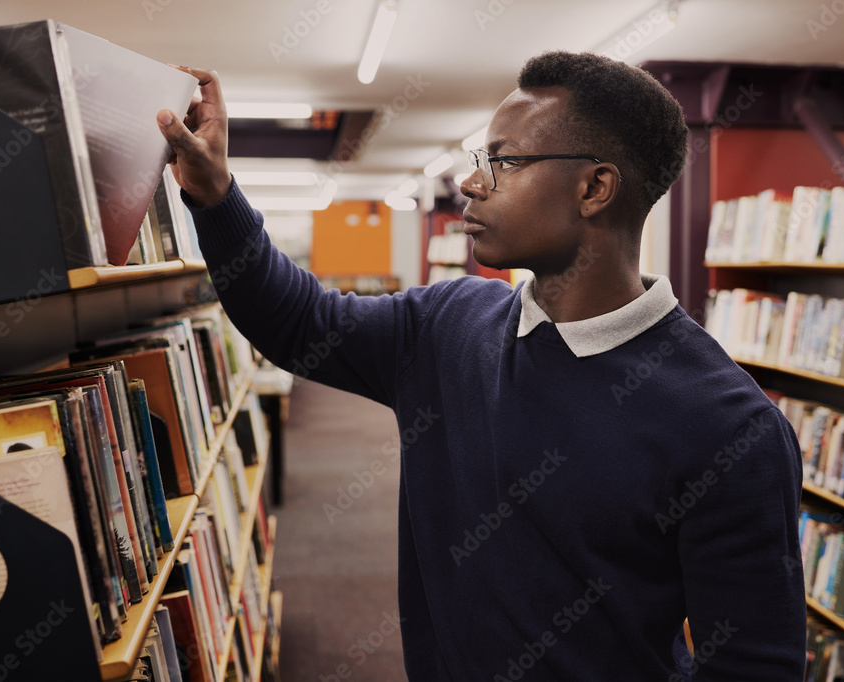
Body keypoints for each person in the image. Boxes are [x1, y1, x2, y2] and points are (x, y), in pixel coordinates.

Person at [157, 51, 806, 681]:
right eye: (479, 160)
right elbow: (298, 323)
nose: (471, 182)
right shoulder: (447, 325)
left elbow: (753, 667)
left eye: (504, 161)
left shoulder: (728, 426)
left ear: (594, 188)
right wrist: (216, 195)